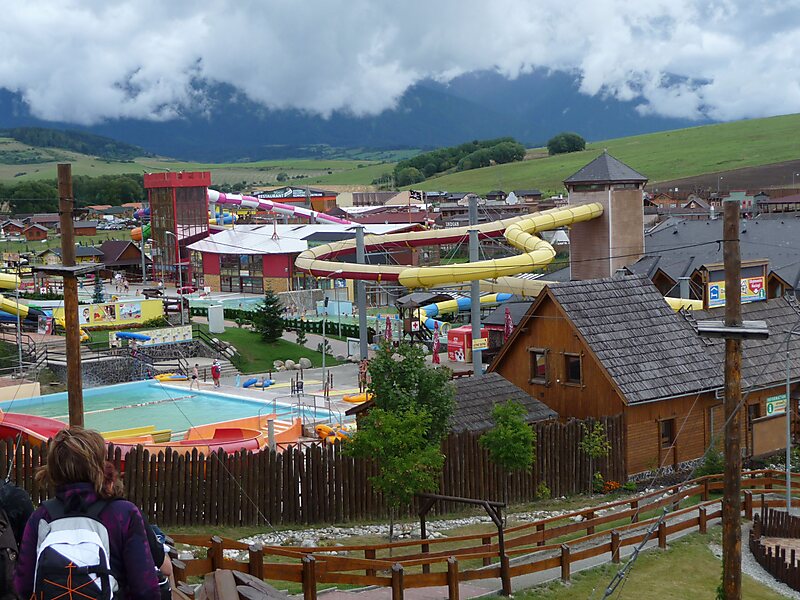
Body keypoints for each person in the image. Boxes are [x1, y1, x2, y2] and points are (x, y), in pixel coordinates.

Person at [14, 428, 160, 600]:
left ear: (54, 468)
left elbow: (23, 586)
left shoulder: (41, 517)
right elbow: (145, 589)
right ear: (98, 466)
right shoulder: (124, 514)